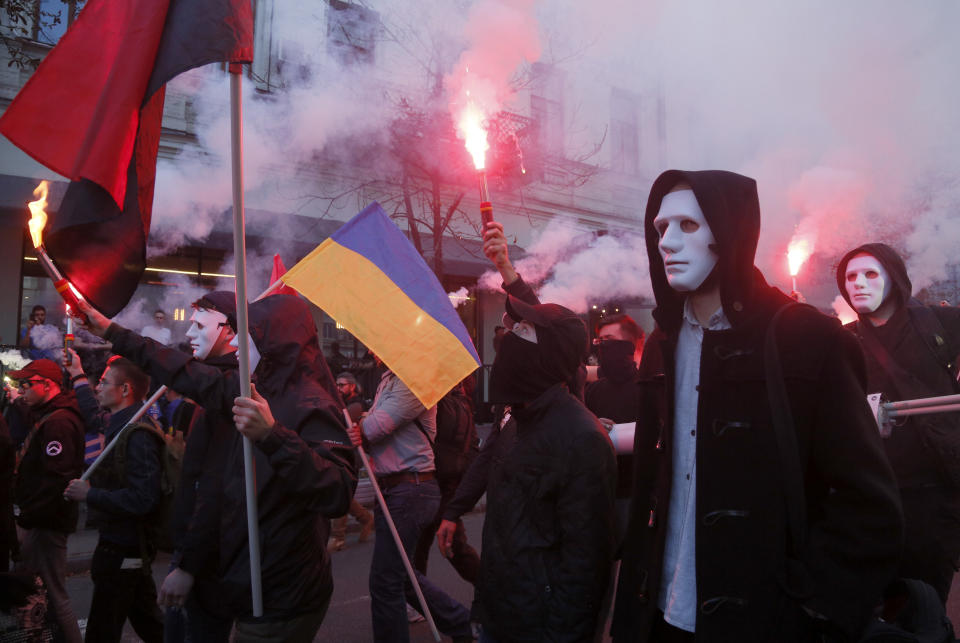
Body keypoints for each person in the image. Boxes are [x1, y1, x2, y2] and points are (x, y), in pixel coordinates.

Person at [610, 170, 903, 642]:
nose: (667, 242)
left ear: (730, 231)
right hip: (662, 615)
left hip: (765, 622)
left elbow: (867, 507)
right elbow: (651, 489)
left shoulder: (809, 339)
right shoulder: (664, 343)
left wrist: (812, 611)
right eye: (661, 228)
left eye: (688, 226)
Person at [77, 293, 357, 641]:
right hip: (246, 582)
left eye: (246, 333)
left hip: (283, 594)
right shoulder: (247, 389)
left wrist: (272, 436)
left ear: (274, 341)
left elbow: (338, 491)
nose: (235, 341)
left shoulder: (312, 402)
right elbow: (185, 372)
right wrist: (113, 332)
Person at [466, 295, 618, 642]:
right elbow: (499, 536)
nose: (509, 337)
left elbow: (586, 569)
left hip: (539, 628)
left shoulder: (582, 439)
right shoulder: (514, 423)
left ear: (549, 357)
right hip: (499, 617)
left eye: (523, 331)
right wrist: (482, 610)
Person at [836, 242, 960, 604]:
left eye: (870, 274)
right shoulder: (843, 341)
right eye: (850, 277)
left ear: (894, 280)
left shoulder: (939, 322)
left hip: (933, 494)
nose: (857, 283)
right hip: (871, 494)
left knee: (924, 606)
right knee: (877, 604)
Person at [346, 368, 473, 643]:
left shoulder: (417, 379)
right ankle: (462, 623)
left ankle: (463, 623)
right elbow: (371, 420)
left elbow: (376, 426)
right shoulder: (388, 379)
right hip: (395, 488)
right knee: (402, 577)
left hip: (411, 489)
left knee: (386, 581)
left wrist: (361, 426)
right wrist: (364, 423)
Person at [64, 357, 165, 642]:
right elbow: (94, 416)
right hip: (120, 547)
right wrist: (77, 375)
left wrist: (90, 494)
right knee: (150, 623)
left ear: (125, 389)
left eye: (105, 382)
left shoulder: (139, 435)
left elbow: (144, 498)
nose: (98, 388)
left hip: (125, 549)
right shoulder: (120, 423)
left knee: (102, 630)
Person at [9, 358, 84, 643]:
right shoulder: (46, 415)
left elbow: (56, 481)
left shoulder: (59, 422)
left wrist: (26, 520)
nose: (22, 390)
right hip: (39, 520)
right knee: (40, 593)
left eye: (27, 384)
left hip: (46, 523)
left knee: (53, 593)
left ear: (48, 385)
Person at [329, 372, 374, 552]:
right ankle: (366, 518)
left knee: (340, 491)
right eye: (337, 385)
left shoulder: (356, 405)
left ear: (352, 386)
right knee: (343, 493)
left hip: (352, 456)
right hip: (342, 453)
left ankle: (338, 537)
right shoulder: (345, 403)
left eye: (342, 385)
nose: (339, 388)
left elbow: (340, 423)